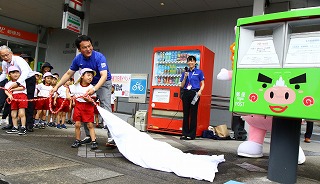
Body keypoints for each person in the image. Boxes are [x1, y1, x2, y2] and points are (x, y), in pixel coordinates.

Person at [51, 35, 113, 146]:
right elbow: (69, 73)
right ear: (79, 49)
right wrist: (56, 87)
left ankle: (111, 137)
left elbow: (104, 75)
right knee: (84, 107)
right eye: (84, 47)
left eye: (90, 46)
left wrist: (94, 89)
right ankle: (89, 135)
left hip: (103, 83)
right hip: (87, 84)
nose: (88, 49)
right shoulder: (78, 59)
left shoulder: (99, 57)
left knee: (106, 108)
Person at [0, 45, 36, 132]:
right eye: (3, 56)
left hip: (28, 79)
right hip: (14, 81)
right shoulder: (4, 63)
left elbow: (25, 72)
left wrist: (18, 83)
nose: (5, 57)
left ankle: (28, 125)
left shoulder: (19, 60)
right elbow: (4, 74)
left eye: (7, 55)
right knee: (10, 101)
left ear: (11, 53)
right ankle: (12, 124)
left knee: (28, 101)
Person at [69, 68, 98, 150]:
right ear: (82, 76)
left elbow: (93, 100)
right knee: (77, 124)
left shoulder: (92, 88)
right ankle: (77, 140)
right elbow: (68, 88)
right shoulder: (76, 86)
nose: (90, 77)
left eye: (91, 76)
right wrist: (69, 95)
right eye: (88, 75)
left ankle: (94, 141)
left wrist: (88, 99)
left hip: (88, 107)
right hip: (78, 106)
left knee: (90, 125)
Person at [179, 55, 204, 140]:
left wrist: (200, 91)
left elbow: (203, 84)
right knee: (185, 114)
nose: (190, 62)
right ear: (187, 62)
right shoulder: (185, 73)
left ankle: (191, 134)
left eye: (192, 61)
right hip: (186, 93)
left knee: (193, 114)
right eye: (189, 61)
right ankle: (185, 133)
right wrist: (185, 77)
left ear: (195, 62)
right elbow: (182, 85)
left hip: (195, 93)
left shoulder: (199, 72)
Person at [4, 66, 28, 135]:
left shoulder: (21, 80)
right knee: (13, 114)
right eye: (13, 73)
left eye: (17, 72)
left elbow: (22, 88)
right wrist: (9, 95)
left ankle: (23, 127)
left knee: (21, 113)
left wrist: (13, 89)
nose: (15, 74)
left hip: (22, 96)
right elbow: (6, 90)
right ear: (9, 74)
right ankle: (15, 127)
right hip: (13, 98)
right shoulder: (8, 83)